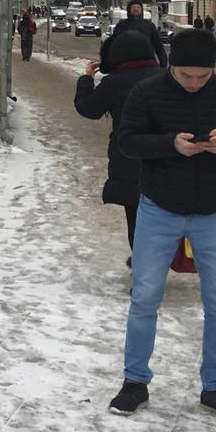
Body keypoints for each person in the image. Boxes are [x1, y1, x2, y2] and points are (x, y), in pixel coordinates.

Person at [108, 28, 216, 423]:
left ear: (213, 70)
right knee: (144, 299)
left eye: (202, 77)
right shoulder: (147, 91)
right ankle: (134, 382)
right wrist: (169, 145)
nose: (194, 83)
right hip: (159, 208)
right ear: (171, 66)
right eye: (186, 76)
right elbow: (127, 141)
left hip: (214, 212)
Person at [74, 31, 164, 260]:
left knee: (136, 215)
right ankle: (158, 261)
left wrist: (86, 79)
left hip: (129, 158)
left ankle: (145, 268)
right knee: (165, 214)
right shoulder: (165, 78)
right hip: (165, 156)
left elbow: (88, 108)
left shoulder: (114, 82)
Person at [111, 0, 167, 68]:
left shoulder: (149, 26)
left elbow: (158, 45)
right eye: (133, 7)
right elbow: (114, 45)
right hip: (126, 62)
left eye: (138, 7)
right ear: (129, 9)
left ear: (141, 10)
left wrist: (163, 63)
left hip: (147, 62)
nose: (136, 9)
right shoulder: (121, 26)